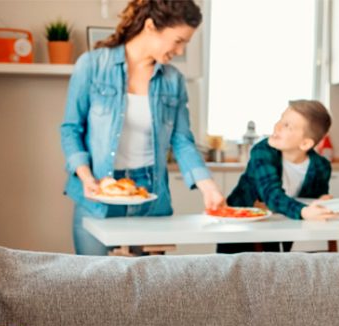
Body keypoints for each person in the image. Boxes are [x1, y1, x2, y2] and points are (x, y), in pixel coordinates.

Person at [60, 0, 224, 255]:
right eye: (178, 40)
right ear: (150, 26)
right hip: (99, 194)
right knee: (94, 286)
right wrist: (85, 175)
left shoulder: (173, 80)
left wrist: (207, 185)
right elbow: (71, 129)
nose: (180, 51)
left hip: (150, 195)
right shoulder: (92, 65)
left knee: (147, 290)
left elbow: (181, 140)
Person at [216, 100, 336, 253]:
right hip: (240, 230)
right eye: (281, 119)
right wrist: (303, 211)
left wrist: (321, 203)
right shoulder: (262, 151)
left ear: (305, 144)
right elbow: (271, 195)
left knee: (275, 268)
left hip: (282, 228)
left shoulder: (321, 166)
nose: (277, 126)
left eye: (287, 126)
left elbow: (313, 202)